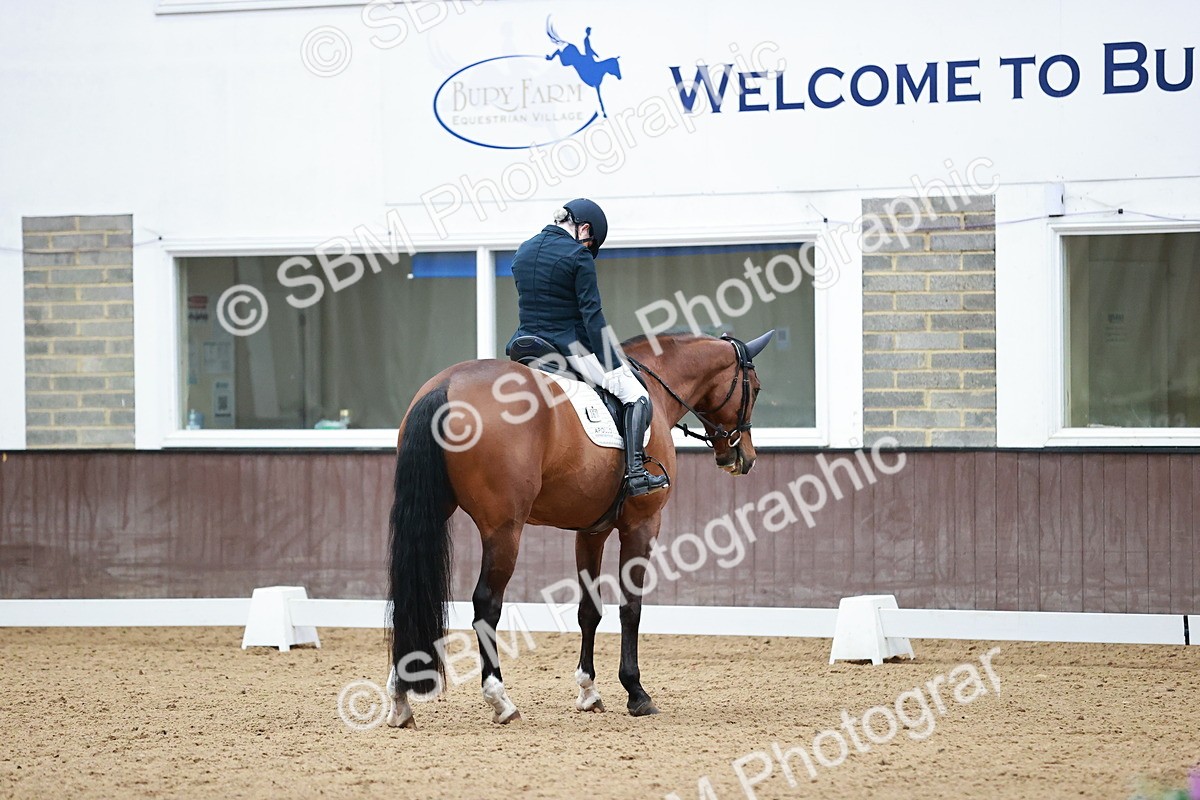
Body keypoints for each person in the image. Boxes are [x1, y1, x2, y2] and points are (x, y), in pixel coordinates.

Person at [505, 199, 669, 497]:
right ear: (584, 228)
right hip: (567, 348)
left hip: (524, 346)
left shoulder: (523, 251)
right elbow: (592, 317)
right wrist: (612, 362)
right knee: (636, 394)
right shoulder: (578, 255)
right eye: (590, 240)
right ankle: (636, 473)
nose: (589, 245)